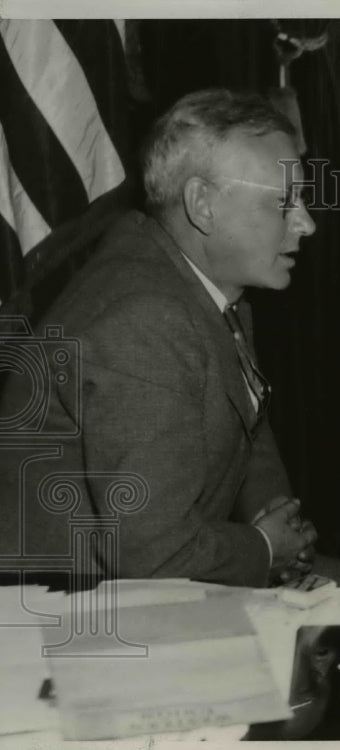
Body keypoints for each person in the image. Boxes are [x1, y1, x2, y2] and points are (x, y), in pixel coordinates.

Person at [0, 89, 320, 587]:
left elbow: (248, 426)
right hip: (71, 619)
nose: (306, 223)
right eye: (284, 202)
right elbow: (156, 559)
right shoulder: (146, 320)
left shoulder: (193, 281)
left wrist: (285, 536)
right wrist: (264, 549)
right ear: (202, 205)